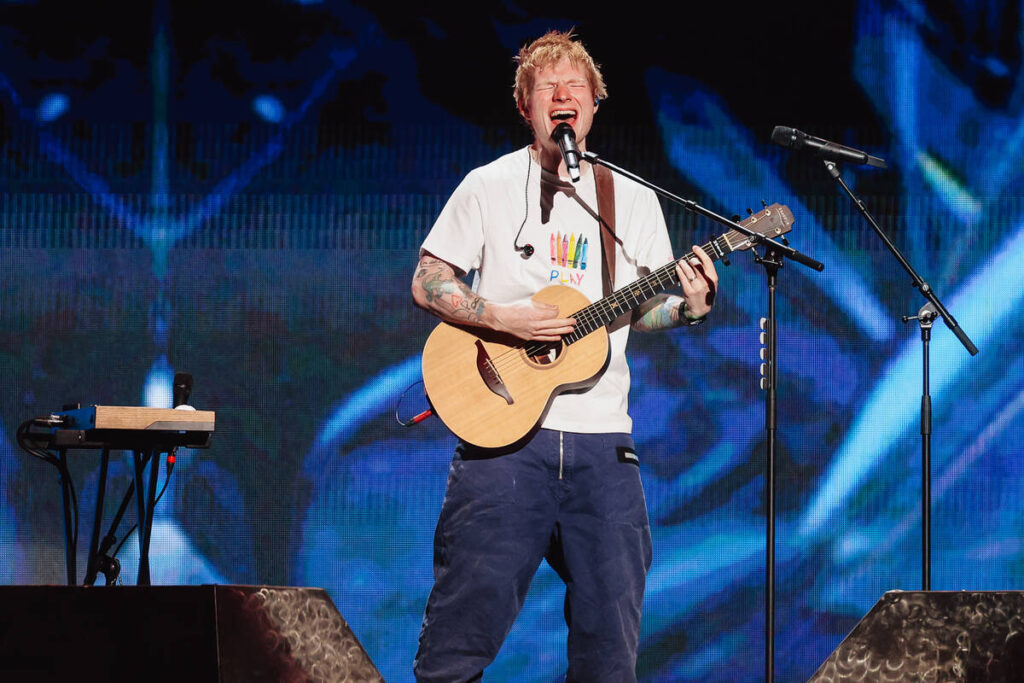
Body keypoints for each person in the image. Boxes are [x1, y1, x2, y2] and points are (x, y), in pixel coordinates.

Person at [410, 30, 718, 682]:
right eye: (546, 86)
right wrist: (500, 317)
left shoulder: (629, 200)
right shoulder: (487, 186)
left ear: (594, 106)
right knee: (456, 645)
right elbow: (428, 280)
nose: (562, 95)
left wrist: (686, 307)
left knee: (610, 652)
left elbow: (641, 310)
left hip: (603, 449)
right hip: (503, 443)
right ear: (526, 107)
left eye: (574, 86)